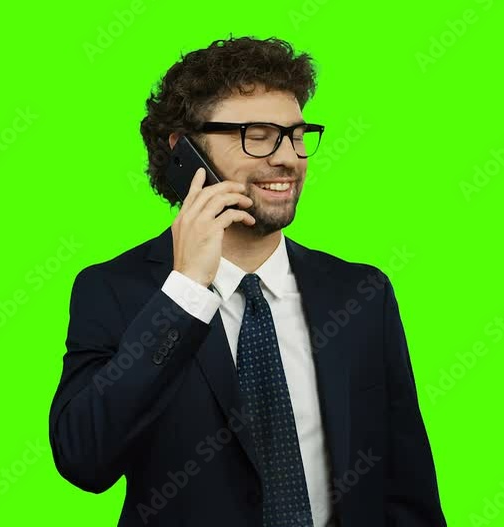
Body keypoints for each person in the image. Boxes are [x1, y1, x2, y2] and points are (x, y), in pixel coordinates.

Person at [48, 35, 446, 526]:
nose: (288, 157)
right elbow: (84, 458)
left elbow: (407, 488)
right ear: (184, 150)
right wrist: (187, 290)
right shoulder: (114, 291)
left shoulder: (361, 293)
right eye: (258, 134)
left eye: (297, 135)